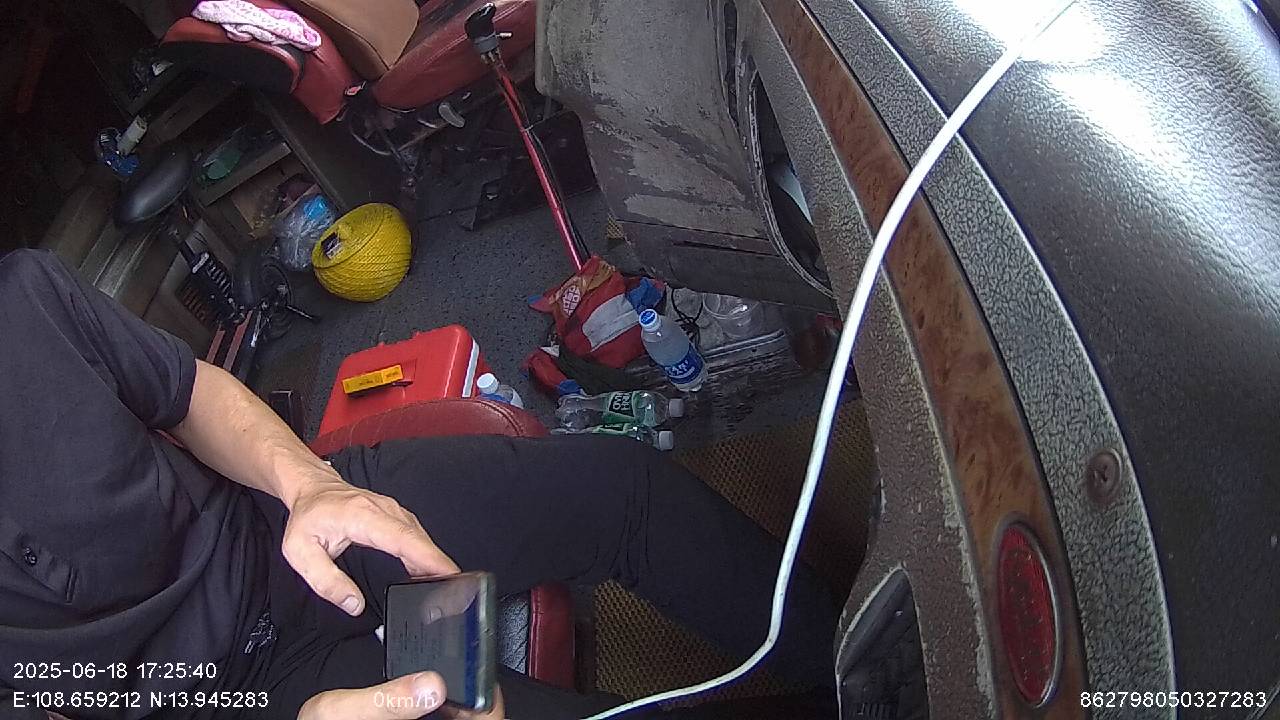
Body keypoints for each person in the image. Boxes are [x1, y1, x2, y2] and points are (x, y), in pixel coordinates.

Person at [0, 249, 838, 720]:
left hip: (293, 534)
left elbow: (187, 393)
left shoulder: (23, 300)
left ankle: (861, 664)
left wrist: (307, 485)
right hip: (238, 700)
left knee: (622, 490)